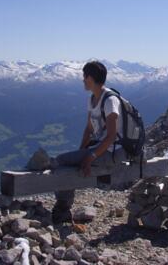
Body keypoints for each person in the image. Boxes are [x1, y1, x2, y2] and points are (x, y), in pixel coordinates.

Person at [50, 60, 128, 223]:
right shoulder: (92, 99)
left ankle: (63, 208)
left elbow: (111, 136)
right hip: (103, 149)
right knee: (66, 162)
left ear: (91, 78)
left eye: (84, 76)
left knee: (59, 161)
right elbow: (89, 129)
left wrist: (89, 157)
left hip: (114, 151)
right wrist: (80, 153)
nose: (83, 80)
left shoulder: (109, 101)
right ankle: (63, 206)